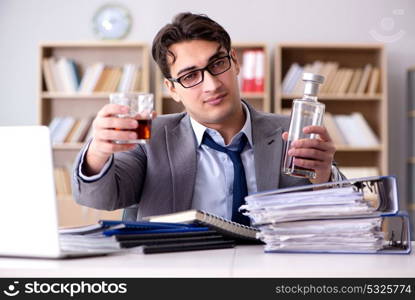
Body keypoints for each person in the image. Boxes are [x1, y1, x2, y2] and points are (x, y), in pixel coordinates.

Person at [72, 12, 344, 224]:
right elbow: (102, 197)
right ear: (172, 89)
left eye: (217, 64)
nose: (212, 85)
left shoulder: (291, 132)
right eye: (190, 76)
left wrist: (325, 176)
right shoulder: (151, 138)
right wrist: (98, 151)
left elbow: (340, 213)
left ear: (235, 62)